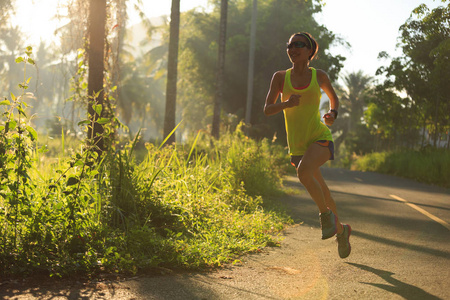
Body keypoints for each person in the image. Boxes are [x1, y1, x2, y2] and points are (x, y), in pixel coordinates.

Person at [263, 32, 351, 259]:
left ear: (310, 51)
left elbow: (334, 99)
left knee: (303, 172)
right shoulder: (280, 77)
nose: (293, 48)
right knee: (322, 190)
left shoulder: (318, 76)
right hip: (297, 144)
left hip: (319, 136)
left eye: (299, 45)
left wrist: (332, 114)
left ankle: (325, 217)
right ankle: (342, 230)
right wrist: (287, 103)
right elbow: (267, 109)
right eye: (290, 45)